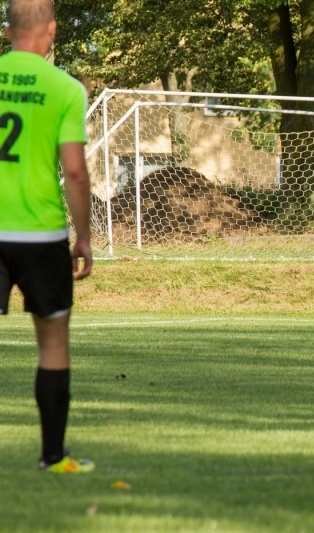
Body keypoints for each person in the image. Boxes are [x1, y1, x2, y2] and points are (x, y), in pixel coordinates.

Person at [0, 0, 94, 473]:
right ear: (52, 31)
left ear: (7, 30)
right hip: (40, 234)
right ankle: (53, 457)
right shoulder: (64, 88)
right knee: (52, 341)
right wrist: (85, 237)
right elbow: (75, 173)